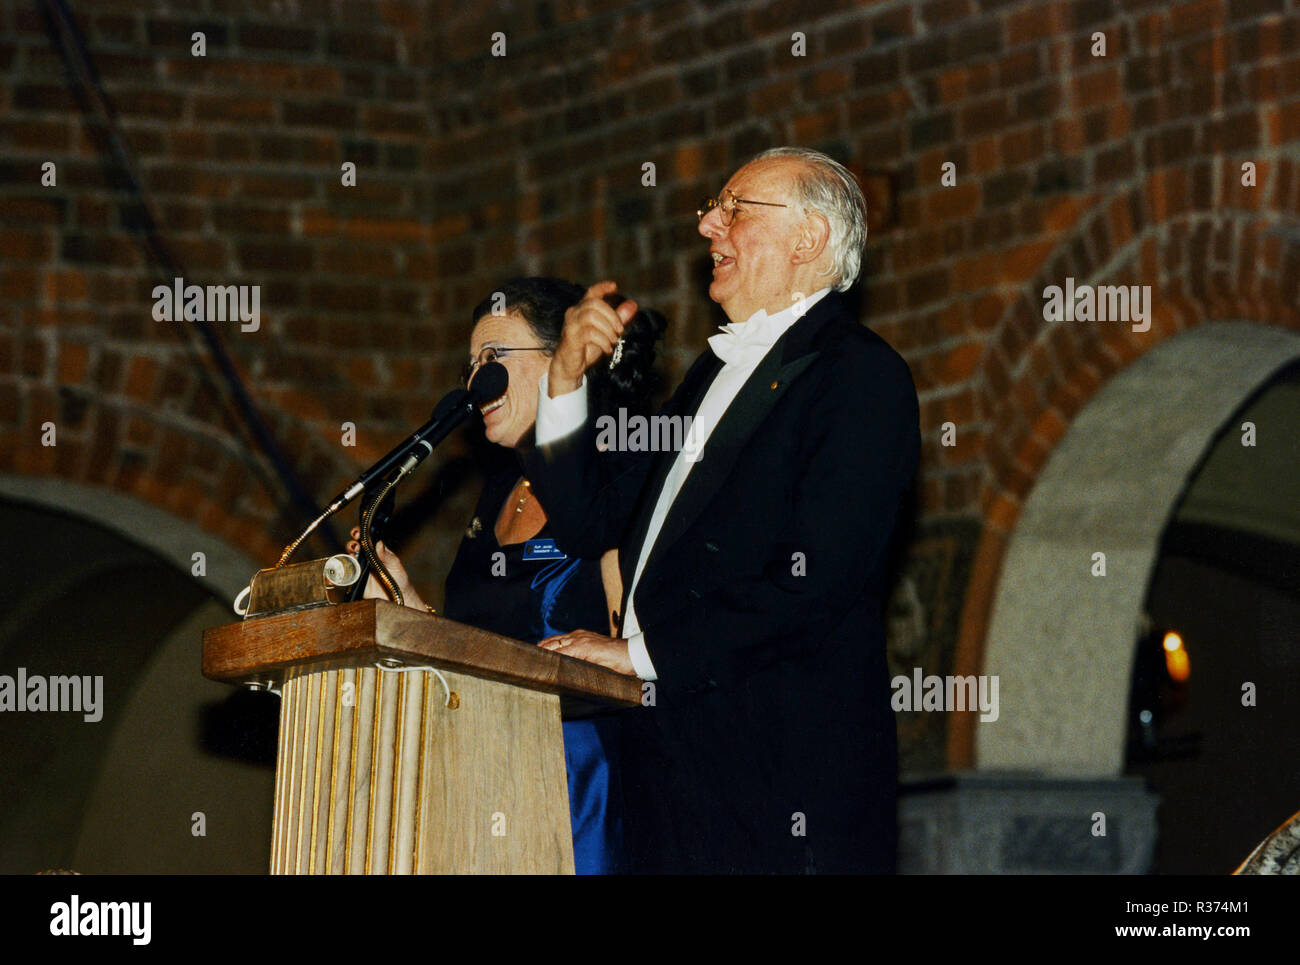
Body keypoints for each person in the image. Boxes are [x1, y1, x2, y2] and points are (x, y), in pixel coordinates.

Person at [522, 147, 921, 873]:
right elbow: (591, 520)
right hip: (671, 782)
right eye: (714, 207)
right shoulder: (711, 373)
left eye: (736, 208)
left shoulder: (860, 375)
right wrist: (565, 379)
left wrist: (640, 655)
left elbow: (816, 585)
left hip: (781, 790)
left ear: (809, 240)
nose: (709, 223)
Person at [348, 277, 665, 874]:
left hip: (581, 778)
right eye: (471, 364)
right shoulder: (497, 491)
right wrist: (402, 598)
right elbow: (478, 647)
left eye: (495, 358)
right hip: (486, 770)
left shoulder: (617, 474)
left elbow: (638, 652)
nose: (476, 380)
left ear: (571, 355)